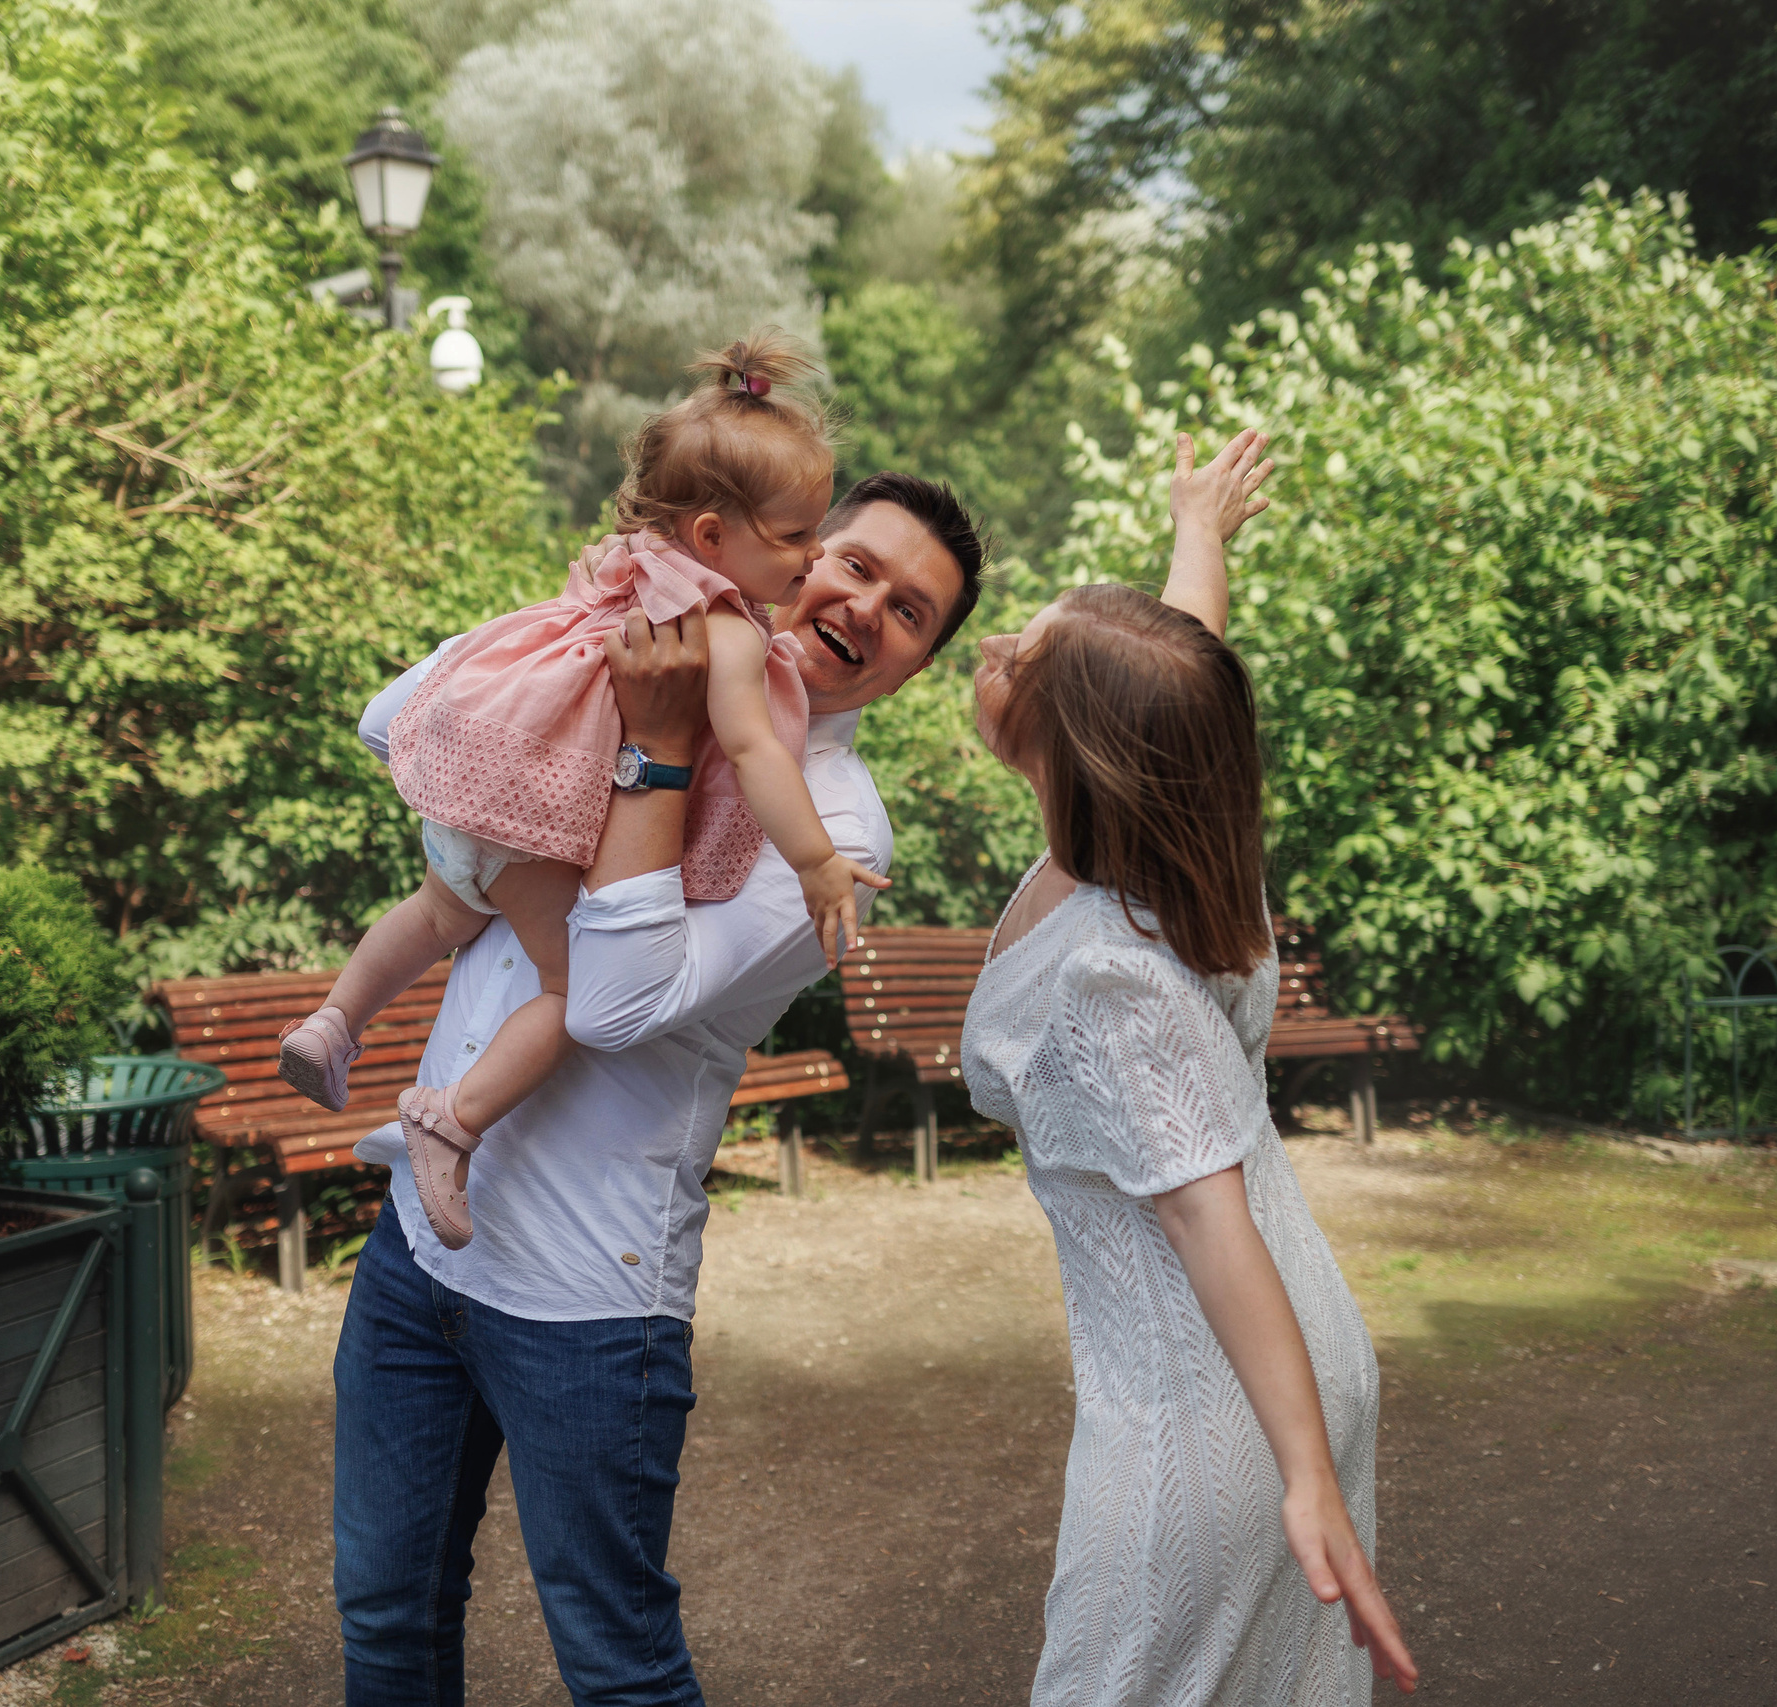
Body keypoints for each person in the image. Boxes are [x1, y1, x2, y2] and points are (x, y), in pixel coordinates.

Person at [331, 469, 987, 1707]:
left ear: (910, 672)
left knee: (616, 1663)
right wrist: (589, 643)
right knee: (385, 1614)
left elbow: (617, 1001)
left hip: (588, 1297)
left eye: (909, 613)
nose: (864, 605)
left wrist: (659, 746)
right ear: (786, 555)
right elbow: (398, 718)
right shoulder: (609, 664)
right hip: (419, 1248)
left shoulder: (838, 834)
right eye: (852, 561)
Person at [959, 428, 1419, 1703]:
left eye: (1024, 658)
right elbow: (1168, 681)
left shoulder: (1118, 980)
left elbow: (1209, 1221)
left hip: (1211, 1417)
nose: (992, 650)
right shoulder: (1179, 854)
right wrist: (1197, 534)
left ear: (1076, 744)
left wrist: (1303, 1473)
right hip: (1289, 1373)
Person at [278, 331, 886, 1251]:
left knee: (437, 914)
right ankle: (452, 1119)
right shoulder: (723, 627)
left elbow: (408, 701)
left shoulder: (627, 563)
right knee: (570, 985)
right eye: (801, 536)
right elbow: (758, 752)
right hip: (536, 823)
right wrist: (817, 862)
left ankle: (334, 1019)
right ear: (716, 539)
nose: (811, 556)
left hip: (467, 798)